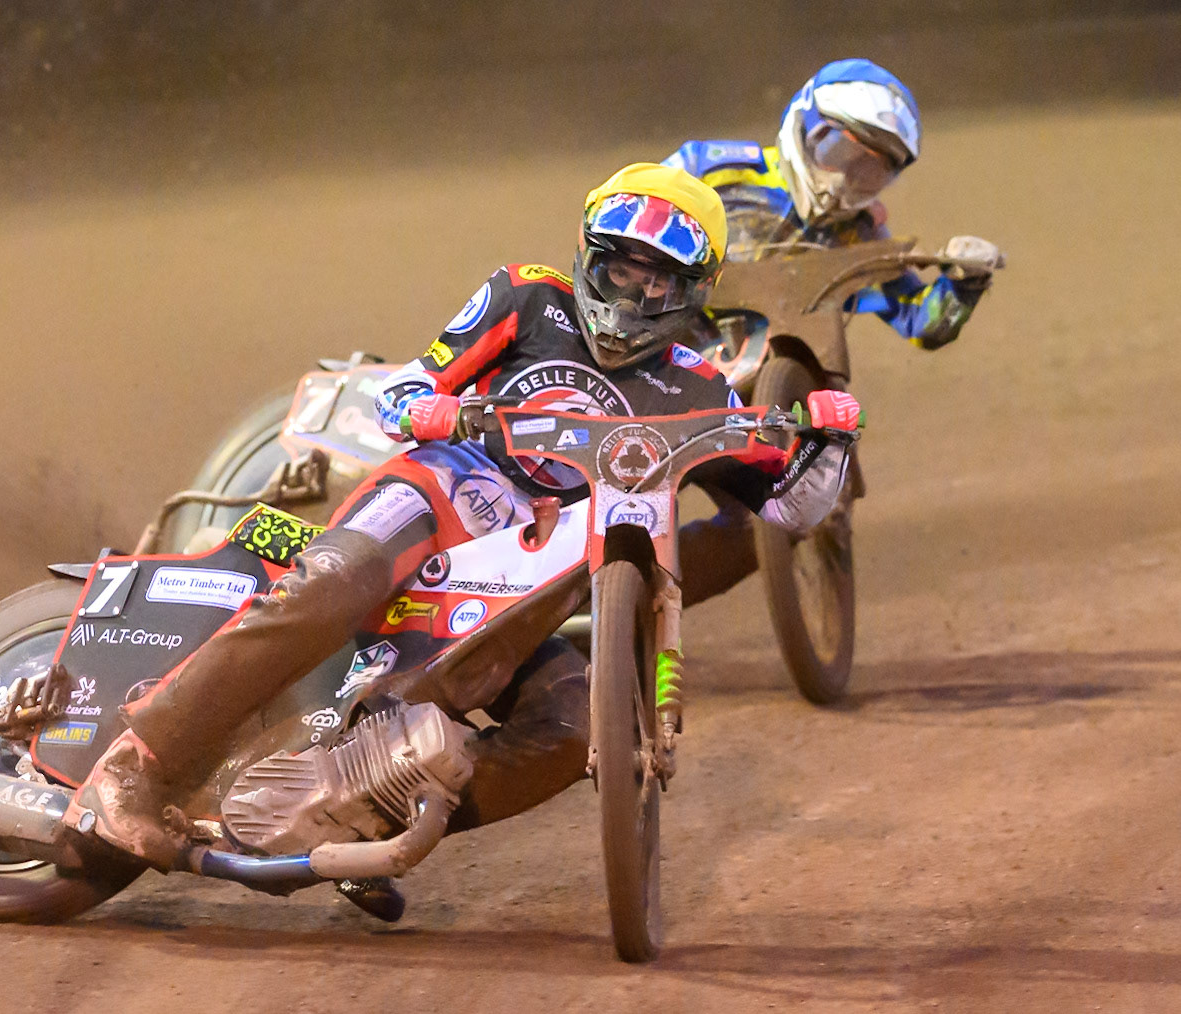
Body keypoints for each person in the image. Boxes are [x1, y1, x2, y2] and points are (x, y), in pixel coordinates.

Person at [61, 163, 864, 915]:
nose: (633, 293)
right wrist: (424, 407)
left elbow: (792, 512)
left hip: (536, 581)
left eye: (659, 280)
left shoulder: (698, 386)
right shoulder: (526, 297)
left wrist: (828, 438)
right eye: (622, 268)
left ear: (693, 292)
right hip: (443, 491)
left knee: (573, 735)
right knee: (336, 579)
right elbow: (411, 382)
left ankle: (361, 817)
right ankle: (134, 766)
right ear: (591, 259)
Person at [662, 58, 1001, 604]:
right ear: (806, 128)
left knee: (770, 527)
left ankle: (635, 611)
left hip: (764, 400)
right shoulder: (712, 169)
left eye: (871, 173)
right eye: (841, 156)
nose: (845, 182)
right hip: (663, 365)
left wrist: (965, 284)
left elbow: (922, 322)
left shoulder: (859, 233)